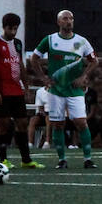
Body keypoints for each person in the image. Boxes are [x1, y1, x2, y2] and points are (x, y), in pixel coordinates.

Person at [28, 9, 98, 170]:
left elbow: (94, 61)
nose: (69, 21)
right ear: (58, 22)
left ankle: (88, 158)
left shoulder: (81, 41)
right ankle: (62, 159)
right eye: (65, 18)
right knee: (57, 124)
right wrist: (43, 78)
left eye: (71, 18)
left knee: (81, 122)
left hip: (75, 90)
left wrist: (83, 76)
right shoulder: (50, 40)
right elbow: (34, 58)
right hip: (56, 91)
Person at [0, 12, 43, 168]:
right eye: (10, 29)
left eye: (15, 29)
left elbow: (20, 64)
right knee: (2, 123)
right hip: (2, 90)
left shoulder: (17, 43)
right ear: (4, 27)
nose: (13, 32)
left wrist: (26, 85)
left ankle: (26, 160)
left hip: (16, 90)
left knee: (22, 122)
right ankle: (3, 159)